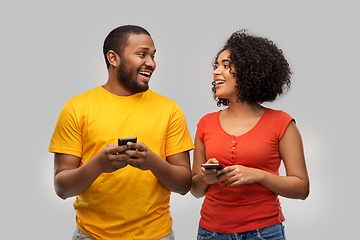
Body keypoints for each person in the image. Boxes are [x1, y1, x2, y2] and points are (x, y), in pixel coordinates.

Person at [49, 25, 194, 240]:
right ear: (113, 58)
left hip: (157, 235)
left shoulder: (169, 109)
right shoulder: (76, 108)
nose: (151, 63)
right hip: (93, 235)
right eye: (141, 54)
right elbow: (62, 188)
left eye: (153, 56)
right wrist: (99, 164)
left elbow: (183, 185)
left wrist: (152, 162)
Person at [190, 30, 309, 240]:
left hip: (265, 232)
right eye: (216, 66)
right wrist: (204, 177)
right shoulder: (205, 124)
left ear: (249, 70)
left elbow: (301, 188)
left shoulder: (282, 123)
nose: (216, 72)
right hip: (211, 233)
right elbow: (196, 190)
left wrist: (259, 175)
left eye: (225, 66)